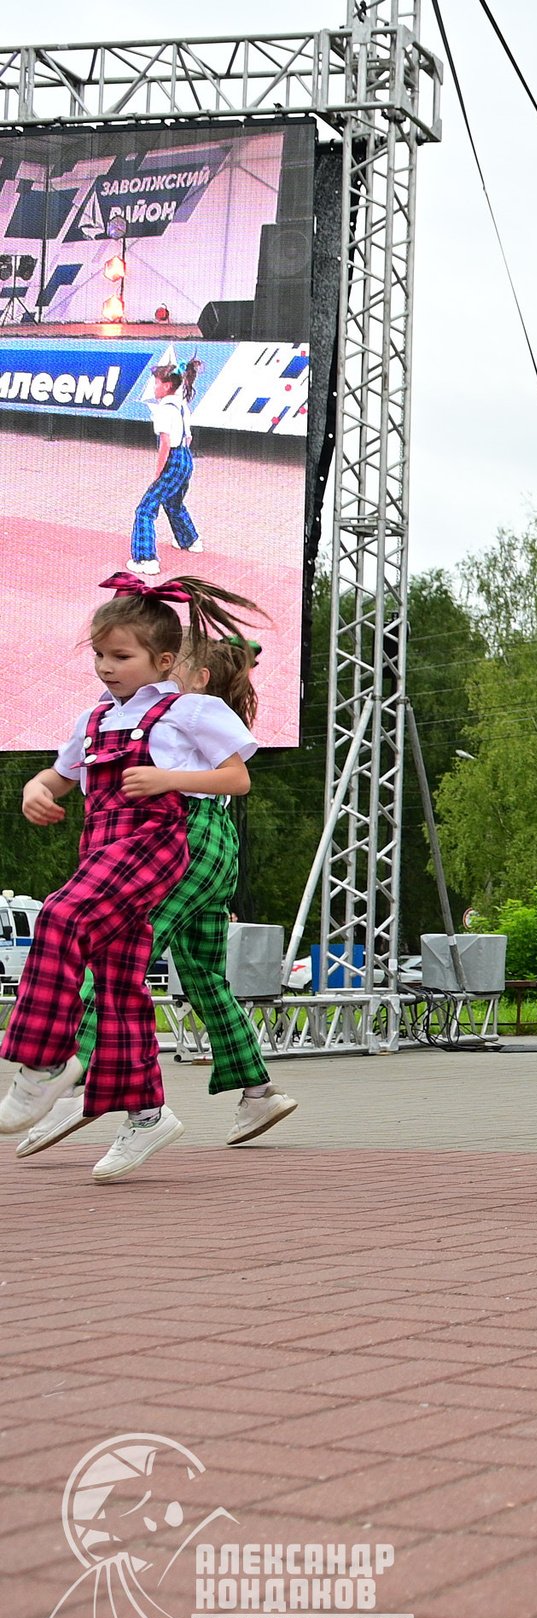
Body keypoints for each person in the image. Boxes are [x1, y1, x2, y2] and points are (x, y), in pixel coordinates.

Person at [1, 573, 266, 1177]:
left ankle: (40, 1063)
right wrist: (35, 789)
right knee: (118, 983)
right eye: (98, 654)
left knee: (59, 914)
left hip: (157, 844)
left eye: (120, 656)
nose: (105, 667)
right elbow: (58, 775)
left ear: (163, 660)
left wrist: (170, 779)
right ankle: (148, 1115)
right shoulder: (93, 718)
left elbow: (237, 778)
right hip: (103, 847)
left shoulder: (190, 710)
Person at [131, 357, 205, 572]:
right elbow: (188, 438)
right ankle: (190, 540)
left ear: (167, 385)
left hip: (172, 459)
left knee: (145, 510)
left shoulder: (163, 409)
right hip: (185, 458)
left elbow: (164, 442)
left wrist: (158, 472)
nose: (153, 387)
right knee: (173, 502)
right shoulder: (182, 405)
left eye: (156, 383)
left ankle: (145, 559)